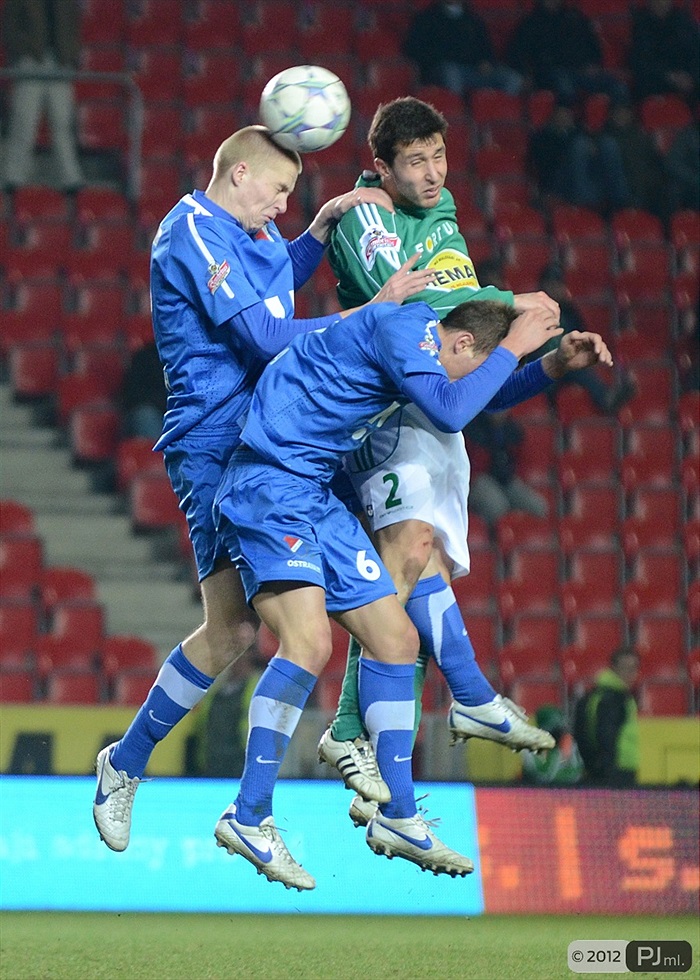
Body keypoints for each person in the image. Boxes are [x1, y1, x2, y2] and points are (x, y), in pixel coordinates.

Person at [92, 125, 434, 856]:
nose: (281, 205)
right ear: (239, 173)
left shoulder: (241, 235)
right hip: (216, 447)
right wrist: (372, 313)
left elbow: (274, 278)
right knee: (236, 634)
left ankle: (157, 774)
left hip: (277, 447)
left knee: (257, 633)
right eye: (278, 191)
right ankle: (138, 770)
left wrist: (315, 234)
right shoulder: (190, 229)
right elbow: (267, 336)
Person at [213, 296, 612, 889]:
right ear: (458, 345)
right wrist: (515, 337)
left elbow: (469, 395)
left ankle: (399, 816)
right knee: (307, 645)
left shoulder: (427, 351)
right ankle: (249, 815)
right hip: (271, 479)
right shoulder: (407, 326)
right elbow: (452, 409)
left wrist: (549, 366)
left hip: (316, 492)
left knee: (397, 638)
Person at [321, 97, 560, 815]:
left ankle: (400, 778)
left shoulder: (445, 209)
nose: (431, 175)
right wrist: (513, 301)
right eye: (415, 162)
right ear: (382, 167)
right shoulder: (364, 215)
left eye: (439, 157)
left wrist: (545, 361)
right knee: (407, 556)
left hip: (431, 420)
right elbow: (424, 313)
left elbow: (462, 322)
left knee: (416, 579)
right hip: (383, 419)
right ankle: (360, 733)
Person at [530, 264, 636, 415]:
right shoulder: (532, 311)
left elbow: (581, 336)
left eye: (558, 284)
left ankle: (609, 397)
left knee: (583, 362)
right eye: (550, 284)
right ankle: (603, 399)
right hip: (540, 365)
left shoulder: (569, 311)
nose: (555, 288)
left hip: (565, 364)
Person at [2, 0, 84, 191]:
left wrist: (70, 55)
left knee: (62, 121)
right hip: (30, 60)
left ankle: (69, 177)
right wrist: (23, 52)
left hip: (59, 61)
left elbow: (73, 26)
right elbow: (10, 27)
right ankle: (14, 176)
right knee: (24, 120)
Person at [507, 0, 628, 106]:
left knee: (618, 87)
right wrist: (526, 74)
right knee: (566, 87)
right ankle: (570, 127)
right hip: (550, 73)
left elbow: (594, 46)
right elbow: (516, 54)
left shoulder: (576, 18)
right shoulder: (530, 23)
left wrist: (593, 64)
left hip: (582, 71)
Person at [527, 101, 629, 215]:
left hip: (588, 176)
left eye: (568, 114)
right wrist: (571, 151)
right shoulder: (542, 136)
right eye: (562, 114)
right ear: (554, 116)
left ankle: (619, 200)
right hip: (558, 181)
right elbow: (545, 166)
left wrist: (592, 151)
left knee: (608, 144)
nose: (566, 117)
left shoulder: (580, 132)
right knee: (580, 145)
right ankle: (584, 201)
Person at [402, 1, 522, 98]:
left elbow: (486, 50)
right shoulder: (427, 18)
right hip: (442, 70)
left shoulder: (473, 20)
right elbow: (415, 50)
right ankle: (458, 112)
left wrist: (486, 62)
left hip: (474, 71)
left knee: (512, 78)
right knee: (451, 73)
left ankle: (495, 113)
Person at [463, 409, 549, 527]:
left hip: (507, 479)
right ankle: (499, 541)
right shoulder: (473, 429)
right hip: (479, 479)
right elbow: (471, 467)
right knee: (497, 507)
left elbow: (521, 461)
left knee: (539, 507)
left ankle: (528, 541)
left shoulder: (512, 429)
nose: (499, 412)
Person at [573, 647, 641, 788]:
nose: (630, 673)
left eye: (633, 668)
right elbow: (606, 736)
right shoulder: (615, 698)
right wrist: (607, 770)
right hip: (617, 770)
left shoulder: (596, 695)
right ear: (614, 668)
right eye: (625, 668)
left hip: (606, 769)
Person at [628, 0, 700, 103]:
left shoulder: (684, 21)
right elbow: (642, 61)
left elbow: (696, 52)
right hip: (658, 79)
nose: (662, 5)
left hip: (688, 76)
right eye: (657, 2)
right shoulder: (641, 25)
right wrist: (671, 76)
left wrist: (691, 76)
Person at [521, 705, 584, 786]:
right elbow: (544, 777)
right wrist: (557, 752)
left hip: (565, 795)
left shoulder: (567, 742)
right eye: (556, 732)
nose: (560, 736)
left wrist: (566, 751)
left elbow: (576, 775)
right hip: (533, 795)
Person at [119, 341, 168, 441]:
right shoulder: (145, 357)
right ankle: (160, 455)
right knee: (146, 416)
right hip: (156, 411)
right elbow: (133, 395)